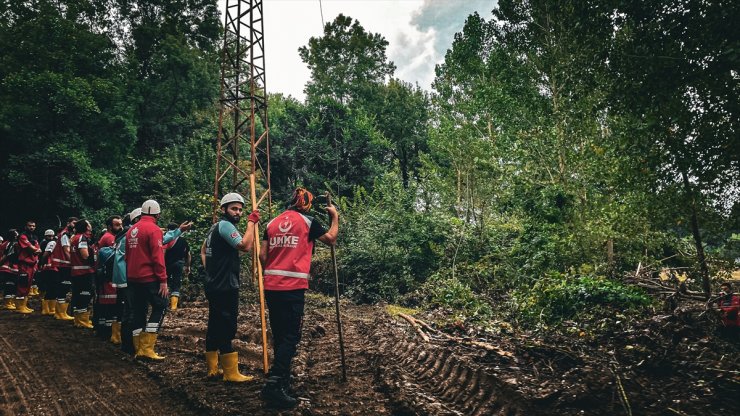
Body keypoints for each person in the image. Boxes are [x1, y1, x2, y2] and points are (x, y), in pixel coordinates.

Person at [259, 188, 338, 408]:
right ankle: (274, 385)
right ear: (306, 204)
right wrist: (335, 217)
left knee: (280, 334)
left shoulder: (272, 223)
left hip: (272, 286)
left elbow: (262, 255)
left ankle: (281, 380)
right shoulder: (308, 221)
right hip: (292, 288)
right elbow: (331, 239)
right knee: (291, 338)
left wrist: (274, 271)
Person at [200, 192, 259, 382]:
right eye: (234, 208)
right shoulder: (225, 225)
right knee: (226, 326)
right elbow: (244, 246)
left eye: (241, 210)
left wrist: (210, 269)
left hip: (214, 284)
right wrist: (251, 223)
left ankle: (212, 369)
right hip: (225, 286)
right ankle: (230, 373)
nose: (238, 212)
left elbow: (203, 250)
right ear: (224, 209)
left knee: (214, 324)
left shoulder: (214, 228)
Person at [126, 200, 192, 360]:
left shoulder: (131, 230)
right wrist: (163, 280)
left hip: (133, 278)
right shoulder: (154, 229)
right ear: (158, 214)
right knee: (161, 306)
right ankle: (147, 348)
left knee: (138, 311)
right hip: (149, 277)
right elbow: (157, 257)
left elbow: (128, 255)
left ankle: (137, 347)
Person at [94, 215, 122, 339]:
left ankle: (104, 330)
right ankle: (105, 332)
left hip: (106, 276)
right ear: (110, 226)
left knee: (105, 304)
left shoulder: (110, 237)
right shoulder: (109, 238)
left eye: (121, 224)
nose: (120, 227)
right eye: (117, 225)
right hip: (107, 276)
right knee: (108, 305)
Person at [49, 218, 77, 320]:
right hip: (64, 264)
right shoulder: (65, 234)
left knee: (63, 287)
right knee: (63, 287)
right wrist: (73, 263)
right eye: (73, 223)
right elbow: (66, 250)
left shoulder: (66, 234)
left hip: (64, 264)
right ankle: (60, 313)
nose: (75, 225)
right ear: (68, 223)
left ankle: (60, 312)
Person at [69, 220, 95, 328]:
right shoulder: (82, 238)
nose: (90, 227)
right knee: (85, 295)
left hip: (76, 271)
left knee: (78, 294)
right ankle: (83, 321)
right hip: (84, 272)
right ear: (85, 227)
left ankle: (78, 320)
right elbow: (85, 255)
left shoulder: (74, 237)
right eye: (89, 225)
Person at [15, 220, 41, 314]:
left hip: (32, 264)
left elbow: (38, 249)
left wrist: (35, 250)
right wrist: (35, 250)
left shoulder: (34, 237)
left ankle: (24, 305)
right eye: (30, 226)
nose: (32, 227)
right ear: (26, 226)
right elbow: (32, 248)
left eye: (33, 226)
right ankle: (19, 307)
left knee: (28, 285)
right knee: (22, 284)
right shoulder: (22, 236)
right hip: (24, 264)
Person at [164, 222, 191, 311]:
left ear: (168, 230)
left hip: (167, 264)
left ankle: (164, 305)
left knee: (165, 283)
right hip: (179, 264)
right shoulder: (183, 240)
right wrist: (188, 266)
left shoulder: (165, 240)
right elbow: (188, 254)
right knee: (176, 284)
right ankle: (173, 307)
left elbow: (163, 252)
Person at [36, 229, 58, 315]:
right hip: (50, 268)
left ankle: (50, 308)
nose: (51, 237)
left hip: (48, 268)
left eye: (52, 236)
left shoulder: (44, 243)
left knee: (50, 288)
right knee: (51, 288)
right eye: (49, 236)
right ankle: (47, 308)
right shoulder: (50, 243)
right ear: (45, 236)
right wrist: (41, 264)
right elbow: (45, 255)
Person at [0, 230, 19, 310]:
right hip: (8, 267)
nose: (17, 237)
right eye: (16, 235)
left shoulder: (5, 244)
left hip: (9, 267)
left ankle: (10, 302)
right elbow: (6, 256)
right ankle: (8, 303)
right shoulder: (10, 244)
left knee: (10, 285)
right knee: (9, 284)